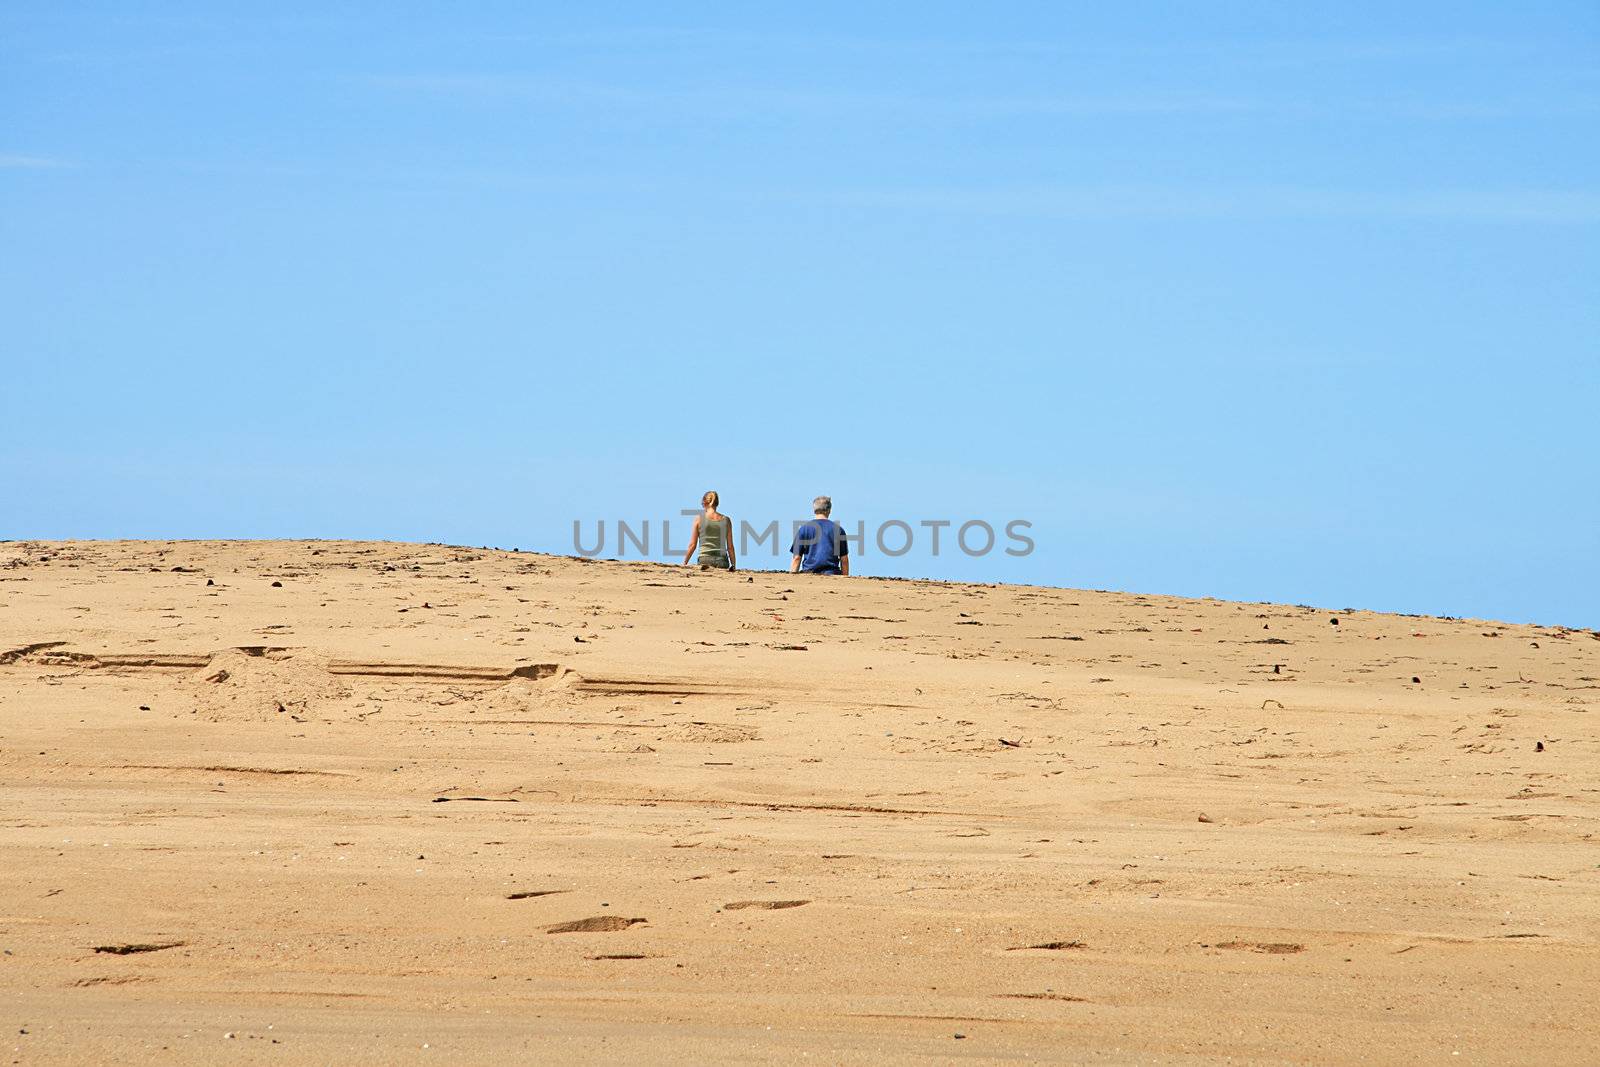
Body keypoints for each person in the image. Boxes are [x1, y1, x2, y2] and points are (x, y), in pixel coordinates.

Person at [790, 495, 850, 575]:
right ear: (829, 510)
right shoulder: (838, 530)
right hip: (832, 573)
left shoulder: (804, 529)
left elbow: (797, 558)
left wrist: (793, 576)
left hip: (808, 573)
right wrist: (845, 579)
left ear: (814, 510)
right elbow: (844, 559)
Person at [682, 491, 736, 571]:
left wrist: (684, 563)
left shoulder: (699, 519)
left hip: (704, 560)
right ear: (717, 503)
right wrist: (733, 565)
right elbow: (730, 547)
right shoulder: (726, 520)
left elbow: (692, 545)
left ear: (705, 503)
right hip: (722, 561)